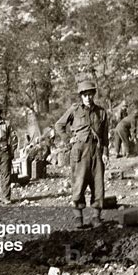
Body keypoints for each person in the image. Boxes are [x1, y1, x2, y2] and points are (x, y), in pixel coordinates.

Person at [55, 80, 109, 229]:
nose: (87, 97)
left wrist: (105, 153)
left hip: (96, 150)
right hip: (79, 151)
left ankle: (95, 217)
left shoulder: (101, 112)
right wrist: (68, 139)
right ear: (81, 96)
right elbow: (59, 125)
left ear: (93, 95)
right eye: (84, 95)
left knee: (98, 184)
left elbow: (104, 136)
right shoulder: (74, 110)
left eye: (90, 94)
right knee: (79, 184)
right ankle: (78, 217)